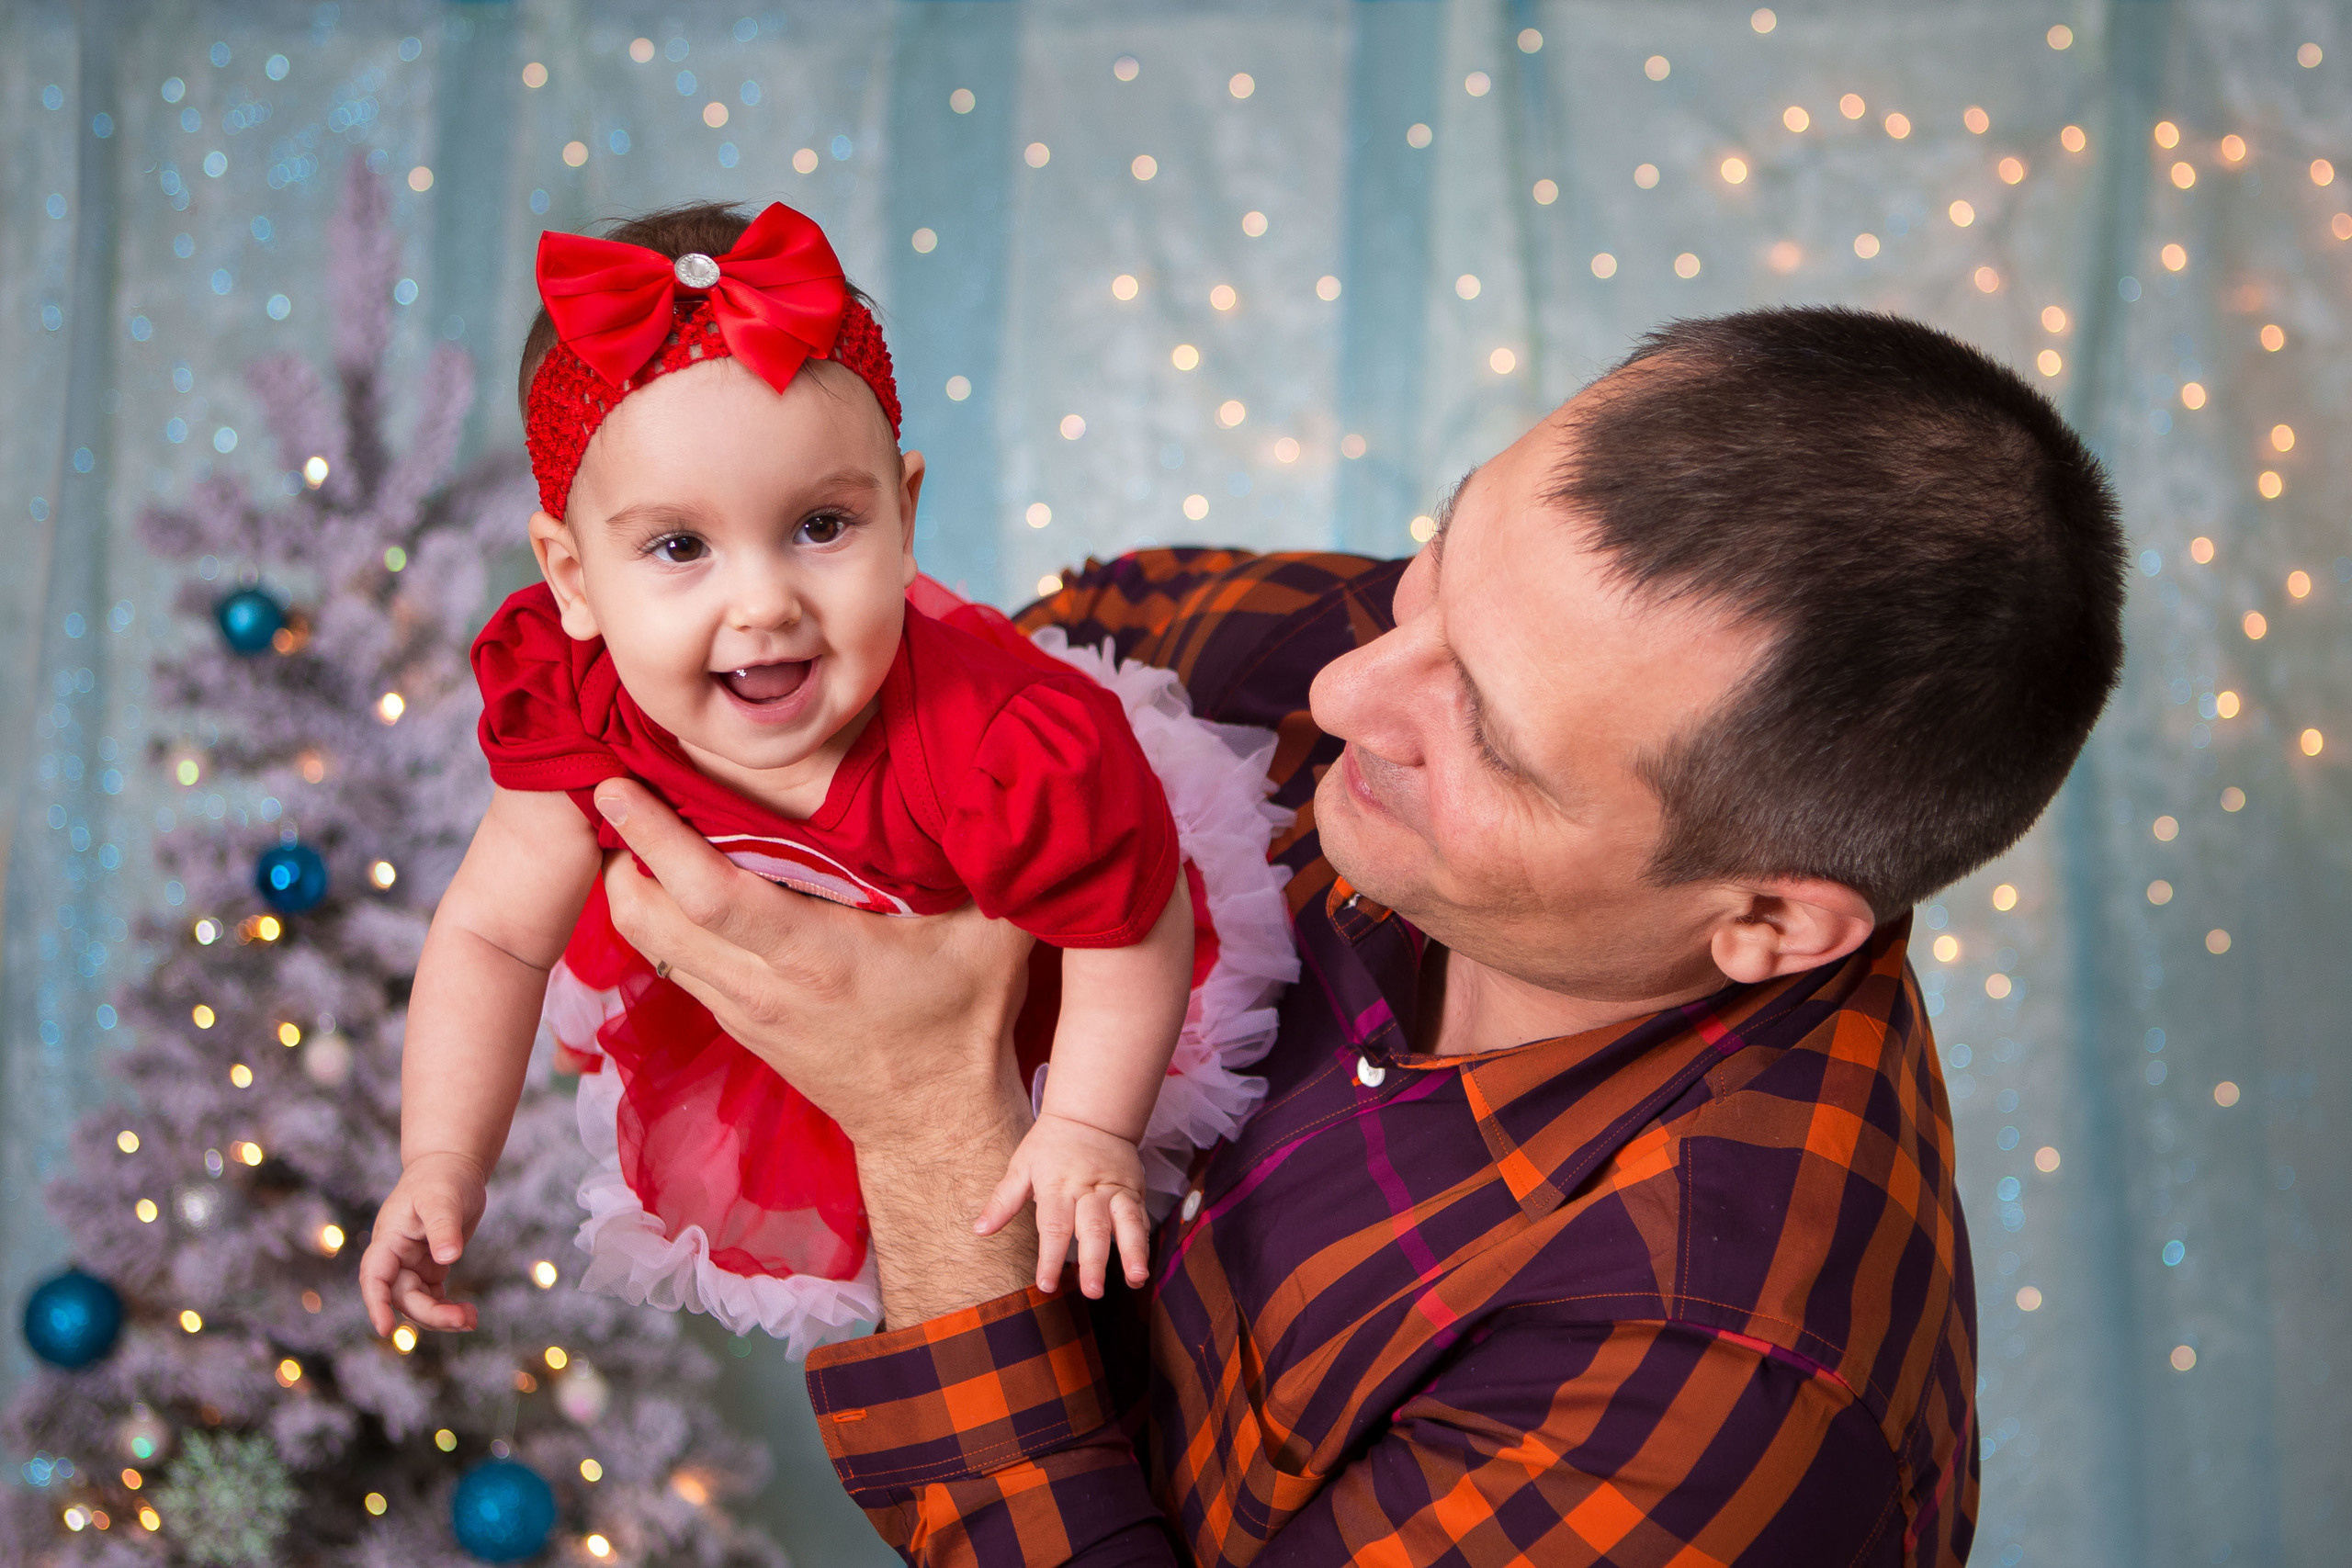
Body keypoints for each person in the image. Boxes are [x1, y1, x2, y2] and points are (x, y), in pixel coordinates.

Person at [587, 306, 2126, 1565]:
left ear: (1772, 919)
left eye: (1489, 741)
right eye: (1435, 573)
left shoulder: (1711, 1379)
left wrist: (929, 1119)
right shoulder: (1474, 664)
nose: (1343, 696)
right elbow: (1084, 635)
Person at [356, 201, 1297, 1355]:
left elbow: (1127, 921)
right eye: (677, 547)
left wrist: (1093, 1126)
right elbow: (496, 937)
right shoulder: (576, 699)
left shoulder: (1002, 747)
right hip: (786, 1013)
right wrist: (443, 1157)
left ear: (904, 515)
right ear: (572, 577)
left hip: (1046, 1006)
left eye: (818, 525)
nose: (762, 603)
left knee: (1086, 1242)